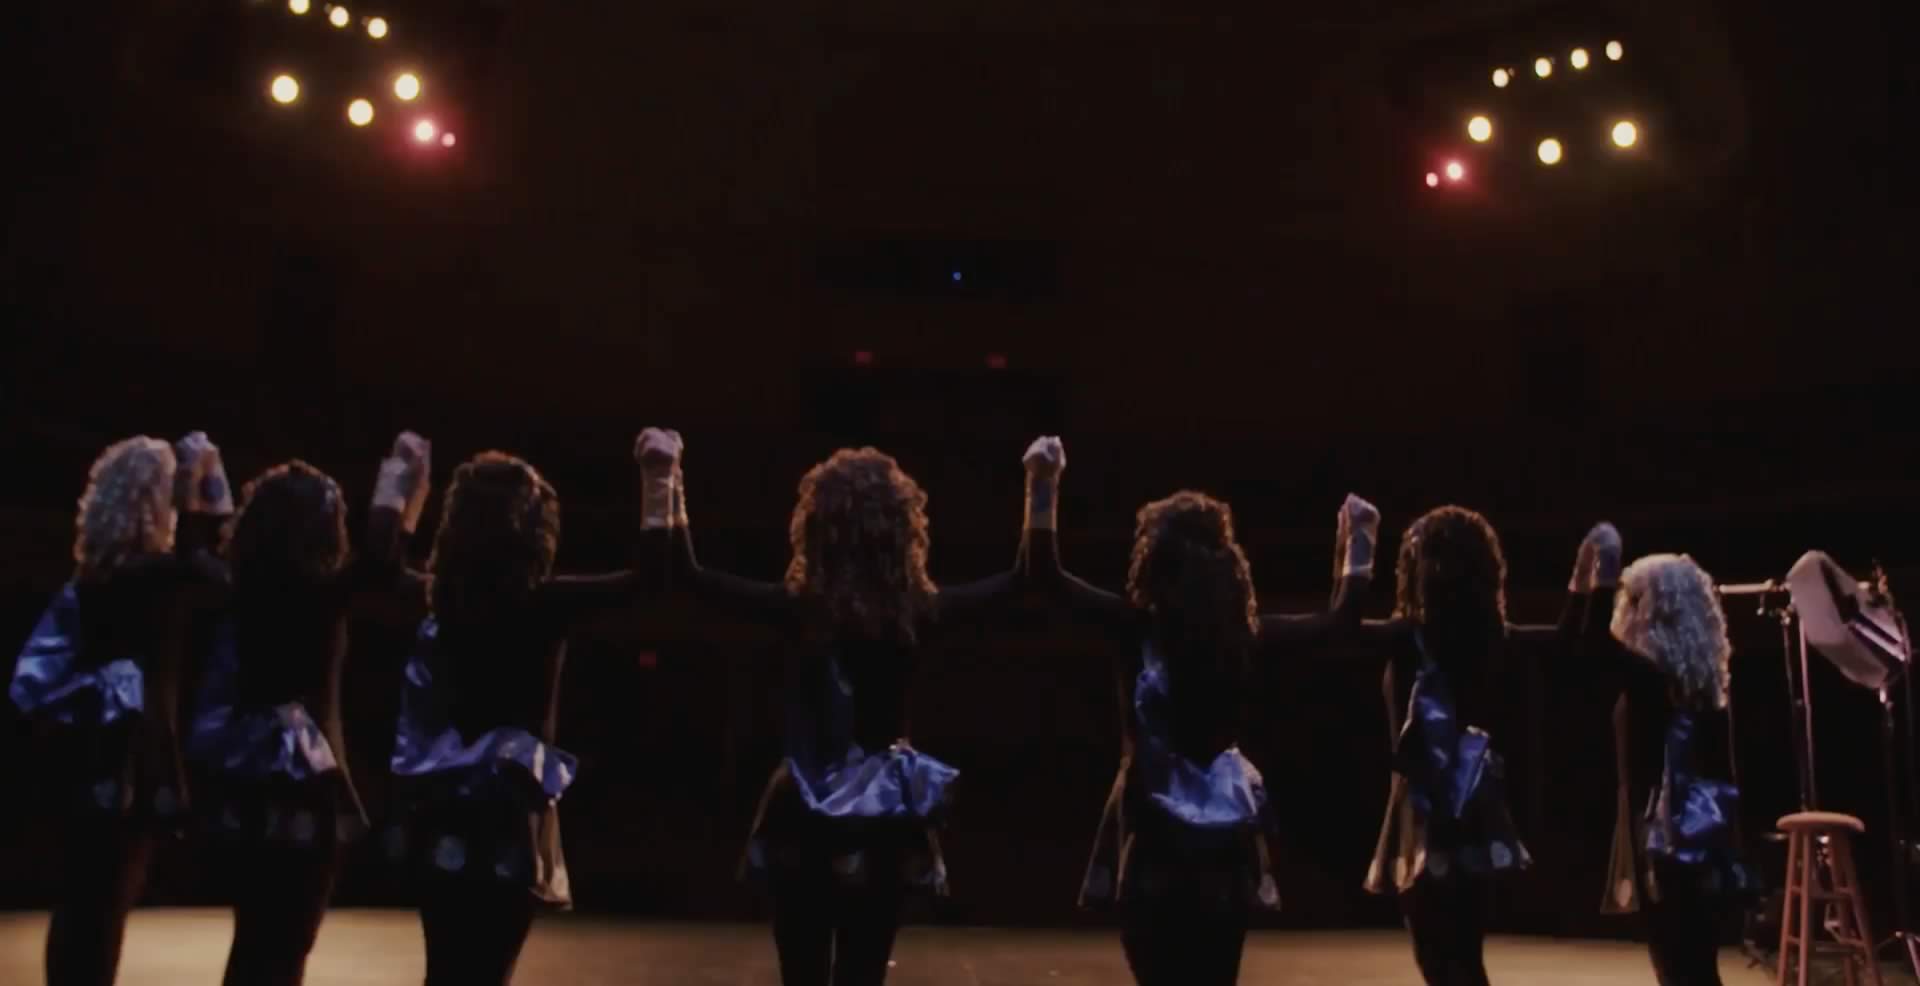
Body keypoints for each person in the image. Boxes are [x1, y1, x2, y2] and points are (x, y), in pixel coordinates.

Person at [639, 428, 1025, 986]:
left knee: (801, 971)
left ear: (816, 528)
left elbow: (687, 579)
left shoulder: (802, 609)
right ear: (900, 531)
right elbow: (1020, 585)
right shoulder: (915, 612)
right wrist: (1042, 490)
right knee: (863, 973)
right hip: (885, 815)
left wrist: (662, 480)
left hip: (804, 807)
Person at [1018, 436, 1379, 986]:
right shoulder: (1243, 639)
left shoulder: (1135, 628)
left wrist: (1042, 482)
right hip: (1223, 848)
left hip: (1155, 841)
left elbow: (1045, 579)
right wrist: (1357, 542)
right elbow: (1339, 622)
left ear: (1153, 562)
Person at [387, 442, 650, 986]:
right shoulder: (545, 604)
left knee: (444, 971)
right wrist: (661, 478)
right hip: (506, 819)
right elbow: (650, 580)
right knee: (488, 972)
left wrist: (402, 485)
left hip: (440, 813)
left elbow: (381, 564)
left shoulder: (441, 599)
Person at [186, 433, 433, 986]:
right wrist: (399, 480)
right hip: (306, 788)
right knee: (288, 942)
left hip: (242, 783)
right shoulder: (322, 593)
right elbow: (379, 559)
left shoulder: (237, 585)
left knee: (254, 938)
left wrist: (206, 478)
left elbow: (198, 547)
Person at [9, 433, 232, 986]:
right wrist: (203, 484)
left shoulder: (95, 578)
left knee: (83, 906)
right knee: (102, 910)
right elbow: (218, 572)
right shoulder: (154, 576)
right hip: (124, 769)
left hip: (84, 763)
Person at [1357, 505, 1591, 986]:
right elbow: (1568, 638)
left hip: (1426, 819)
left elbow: (1340, 628)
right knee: (1464, 954)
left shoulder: (1408, 638)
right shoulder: (1494, 639)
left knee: (1441, 961)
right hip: (1477, 816)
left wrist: (1357, 546)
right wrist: (1588, 574)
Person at [1591, 542, 1755, 986]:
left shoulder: (1649, 677)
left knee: (1680, 964)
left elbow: (1587, 643)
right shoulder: (1700, 683)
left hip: (1667, 842)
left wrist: (1598, 567)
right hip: (1699, 840)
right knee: (1694, 963)